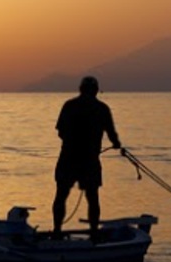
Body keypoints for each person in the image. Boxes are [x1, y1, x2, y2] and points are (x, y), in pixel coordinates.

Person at [52, 75, 122, 239]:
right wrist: (117, 144)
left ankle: (56, 231)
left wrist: (73, 142)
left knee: (61, 195)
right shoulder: (102, 109)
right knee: (92, 197)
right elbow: (111, 133)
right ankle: (94, 232)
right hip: (89, 160)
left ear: (81, 90)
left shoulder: (69, 106)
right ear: (96, 91)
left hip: (68, 157)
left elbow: (60, 132)